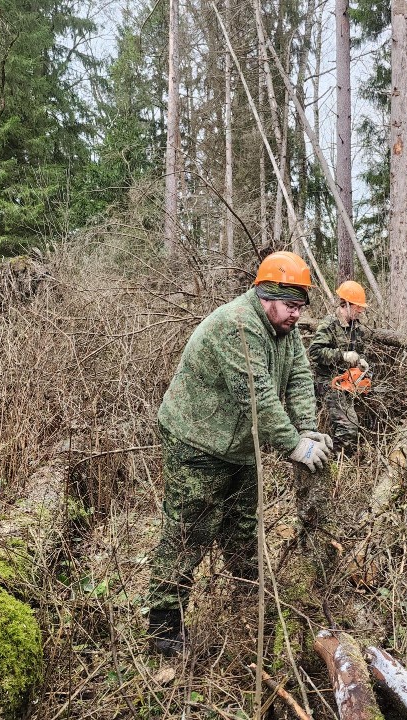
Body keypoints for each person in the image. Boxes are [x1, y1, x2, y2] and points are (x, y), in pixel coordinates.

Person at [147, 251, 334, 656]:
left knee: (243, 528)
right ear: (267, 297)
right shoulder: (239, 326)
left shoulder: (285, 330)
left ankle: (251, 603)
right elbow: (259, 400)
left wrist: (307, 429)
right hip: (196, 439)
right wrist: (293, 446)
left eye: (301, 308)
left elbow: (301, 378)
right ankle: (163, 628)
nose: (296, 316)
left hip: (240, 445)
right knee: (189, 532)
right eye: (290, 306)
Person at [308, 280, 370, 451]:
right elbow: (315, 352)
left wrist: (361, 361)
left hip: (349, 382)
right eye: (358, 307)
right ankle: (337, 462)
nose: (361, 310)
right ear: (347, 305)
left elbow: (359, 351)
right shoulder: (329, 324)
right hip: (329, 382)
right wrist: (342, 356)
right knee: (348, 427)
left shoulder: (355, 327)